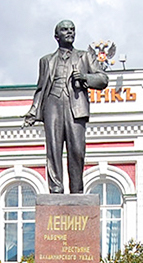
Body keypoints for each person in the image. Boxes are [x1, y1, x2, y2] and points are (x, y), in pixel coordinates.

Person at [23, 20, 109, 194]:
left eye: (72, 29)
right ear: (56, 36)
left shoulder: (85, 56)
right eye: (65, 29)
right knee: (53, 149)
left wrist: (85, 77)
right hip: (52, 104)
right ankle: (55, 190)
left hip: (75, 105)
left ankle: (77, 191)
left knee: (77, 150)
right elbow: (41, 88)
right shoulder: (46, 61)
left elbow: (103, 79)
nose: (69, 32)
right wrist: (33, 111)